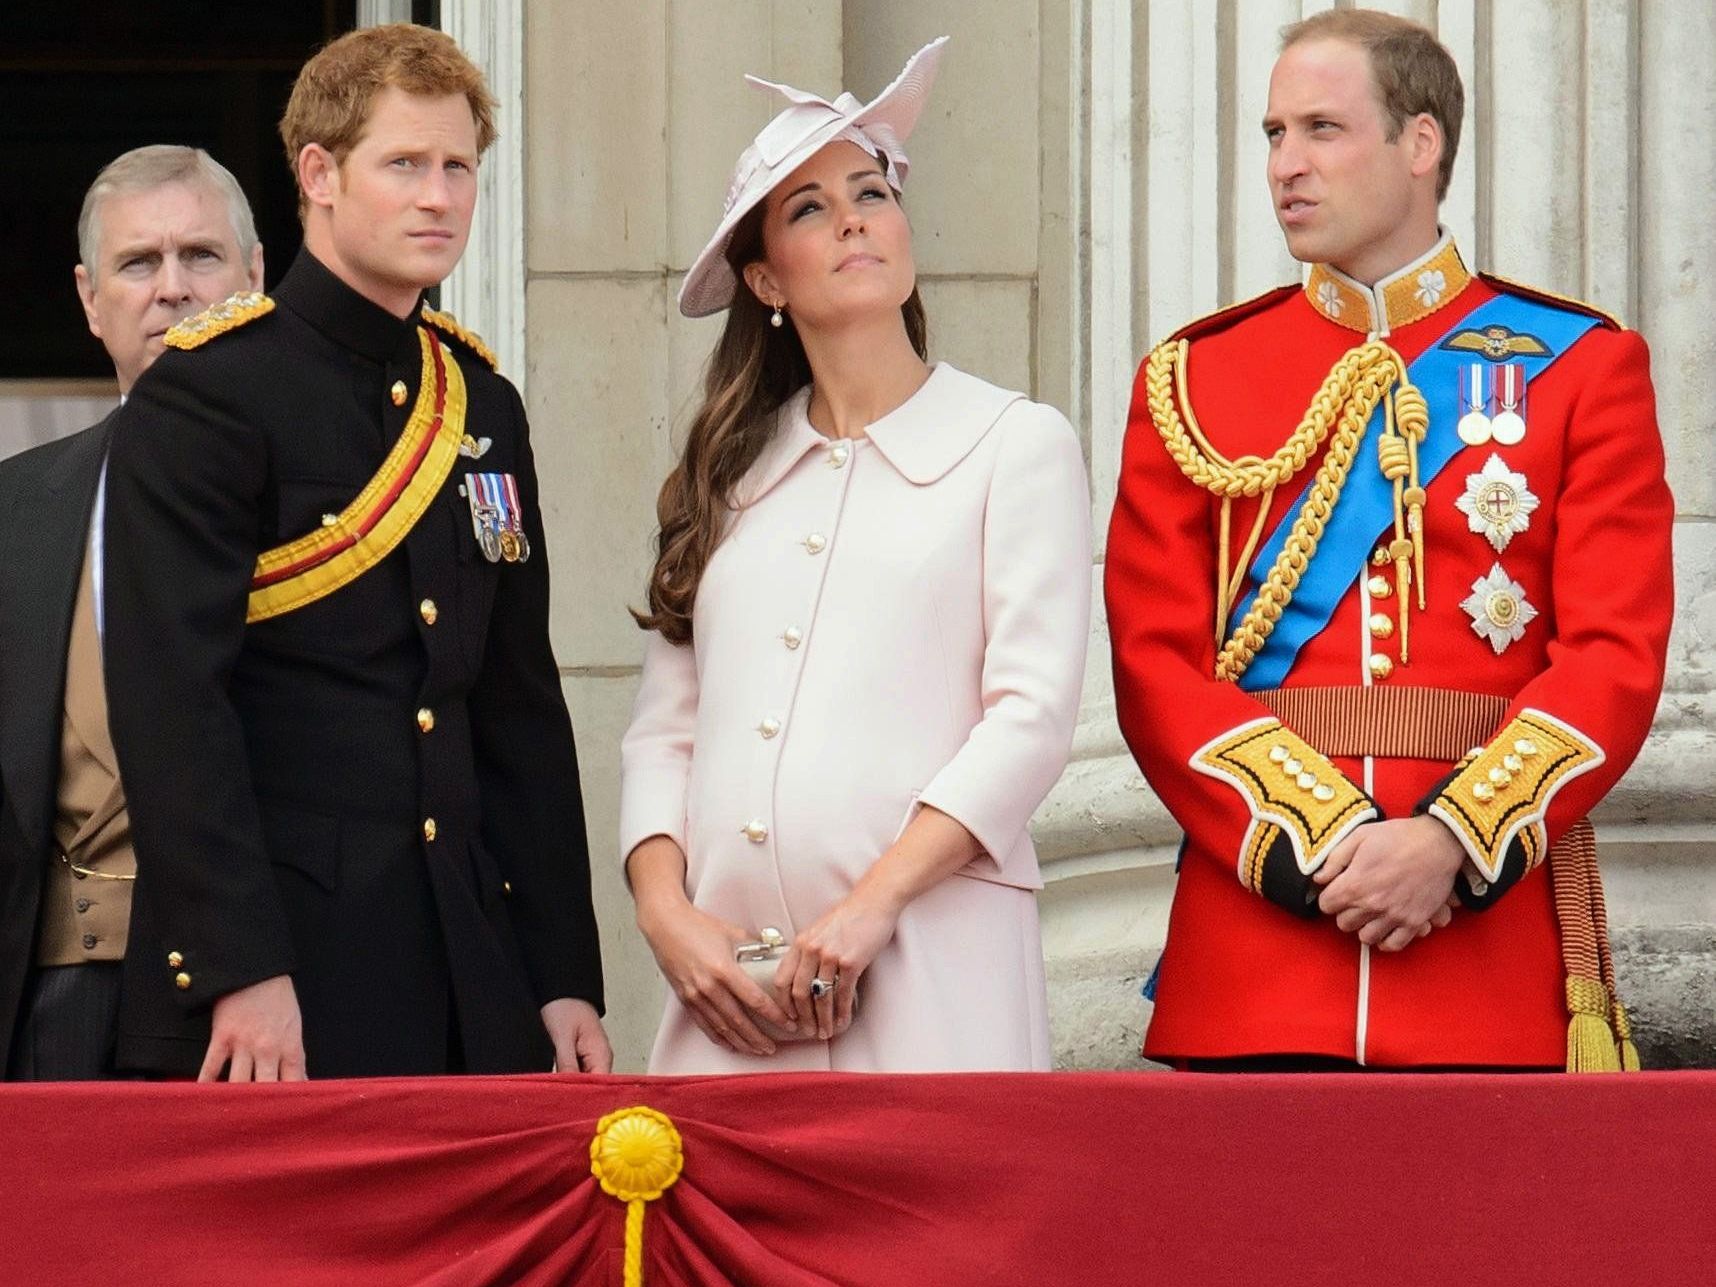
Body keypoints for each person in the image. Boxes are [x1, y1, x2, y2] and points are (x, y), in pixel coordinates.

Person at [1107, 9, 1673, 1071]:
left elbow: (1613, 656)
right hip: (1258, 955)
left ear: (1421, 145)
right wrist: (1326, 846)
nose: (1286, 165)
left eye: (1322, 129)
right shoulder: (1193, 378)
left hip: (1483, 955)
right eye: (1273, 134)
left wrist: (1451, 841)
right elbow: (1152, 663)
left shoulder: (1581, 365)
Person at [99, 24, 608, 1081]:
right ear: (319, 175)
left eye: (458, 166)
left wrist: (561, 972)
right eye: (405, 164)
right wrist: (239, 967)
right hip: (282, 974)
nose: (439, 197)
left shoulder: (482, 406)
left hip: (470, 971)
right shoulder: (206, 395)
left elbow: (516, 706)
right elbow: (171, 705)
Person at [620, 38, 1090, 1073]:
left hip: (932, 970)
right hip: (732, 1001)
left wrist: (873, 905)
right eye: (808, 208)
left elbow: (1030, 719)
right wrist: (668, 918)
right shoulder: (727, 475)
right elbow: (664, 735)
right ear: (763, 278)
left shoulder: (1016, 444)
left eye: (871, 191)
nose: (852, 219)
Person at [0, 146, 264, 1080]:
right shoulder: (15, 506)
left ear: (256, 276)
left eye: (201, 257)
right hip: (49, 1007)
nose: (173, 291)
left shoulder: (345, 494)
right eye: (138, 264)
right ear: (88, 297)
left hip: (265, 1003)